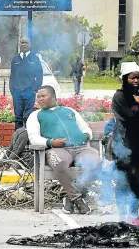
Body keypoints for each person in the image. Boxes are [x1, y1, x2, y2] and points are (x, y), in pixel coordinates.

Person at [27, 85, 100, 214]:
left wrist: (86, 135)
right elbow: (34, 138)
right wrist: (51, 142)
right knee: (58, 161)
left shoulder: (69, 111)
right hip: (58, 149)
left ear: (54, 97)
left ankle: (69, 199)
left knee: (95, 161)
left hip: (81, 148)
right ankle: (77, 200)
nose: (40, 99)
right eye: (38, 97)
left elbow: (86, 128)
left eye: (43, 96)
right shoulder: (35, 115)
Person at [111, 62, 139, 227]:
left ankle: (133, 215)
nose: (137, 80)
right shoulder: (119, 96)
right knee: (124, 180)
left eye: (138, 77)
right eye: (133, 78)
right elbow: (129, 117)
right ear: (125, 79)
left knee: (137, 180)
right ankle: (123, 215)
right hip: (124, 144)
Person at [10, 38, 43, 130]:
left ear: (30, 45)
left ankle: (27, 140)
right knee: (18, 117)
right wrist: (13, 90)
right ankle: (17, 140)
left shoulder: (35, 58)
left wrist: (34, 89)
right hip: (17, 92)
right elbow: (12, 75)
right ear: (19, 44)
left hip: (29, 92)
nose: (24, 44)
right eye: (22, 43)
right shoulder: (15, 58)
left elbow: (39, 75)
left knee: (28, 117)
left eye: (26, 43)